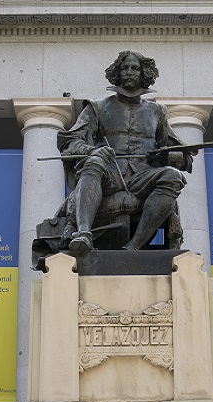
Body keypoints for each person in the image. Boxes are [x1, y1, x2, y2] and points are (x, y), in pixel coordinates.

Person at [53, 51, 195, 255]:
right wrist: (93, 150)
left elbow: (185, 158)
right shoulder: (97, 107)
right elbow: (68, 142)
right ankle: (83, 235)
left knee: (173, 177)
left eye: (135, 68)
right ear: (117, 73)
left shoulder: (157, 112)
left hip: (142, 178)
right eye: (125, 68)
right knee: (93, 161)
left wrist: (168, 156)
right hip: (108, 175)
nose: (129, 72)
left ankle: (134, 246)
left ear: (144, 73)